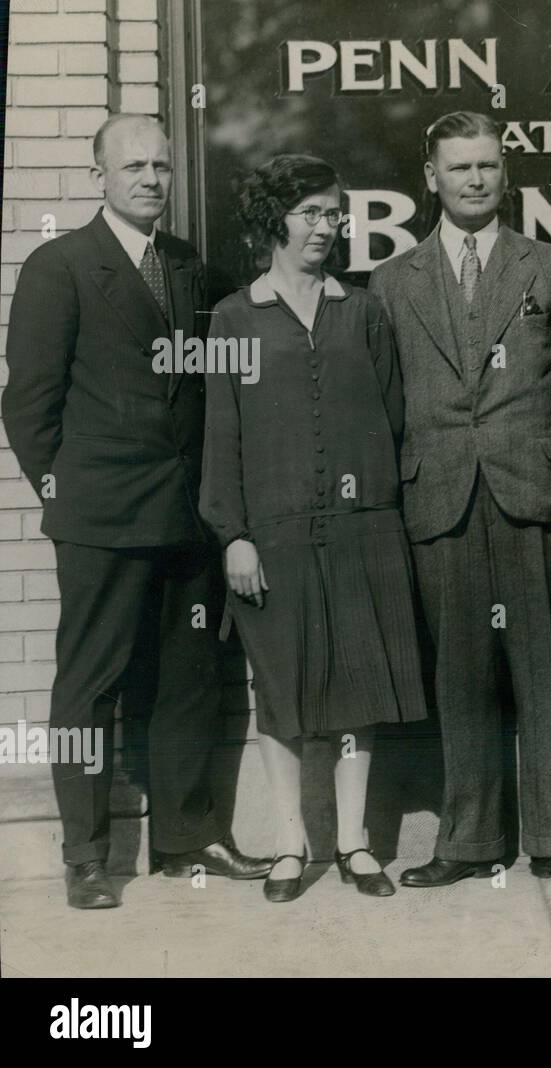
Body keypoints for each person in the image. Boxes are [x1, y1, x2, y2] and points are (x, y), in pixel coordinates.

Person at [3, 114, 270, 909]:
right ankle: (87, 855)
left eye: (161, 166)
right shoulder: (61, 266)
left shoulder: (190, 268)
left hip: (186, 516)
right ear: (100, 177)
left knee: (189, 679)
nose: (152, 178)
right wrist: (67, 488)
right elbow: (28, 405)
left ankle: (188, 837)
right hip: (102, 519)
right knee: (91, 683)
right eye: (134, 167)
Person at [369, 112, 551, 891]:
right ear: (430, 178)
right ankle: (468, 841)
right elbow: (387, 402)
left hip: (530, 494)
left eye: (488, 166)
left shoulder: (549, 265)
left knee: (545, 675)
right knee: (459, 678)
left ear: (506, 175)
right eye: (460, 167)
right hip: (439, 499)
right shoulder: (392, 282)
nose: (476, 179)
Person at [201, 154, 428, 903]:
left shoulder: (362, 311)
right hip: (273, 535)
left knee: (360, 686)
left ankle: (356, 844)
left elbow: (393, 418)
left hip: (363, 530)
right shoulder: (235, 317)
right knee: (282, 691)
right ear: (275, 219)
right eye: (309, 213)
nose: (325, 228)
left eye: (334, 214)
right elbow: (221, 436)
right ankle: (291, 845)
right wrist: (234, 534)